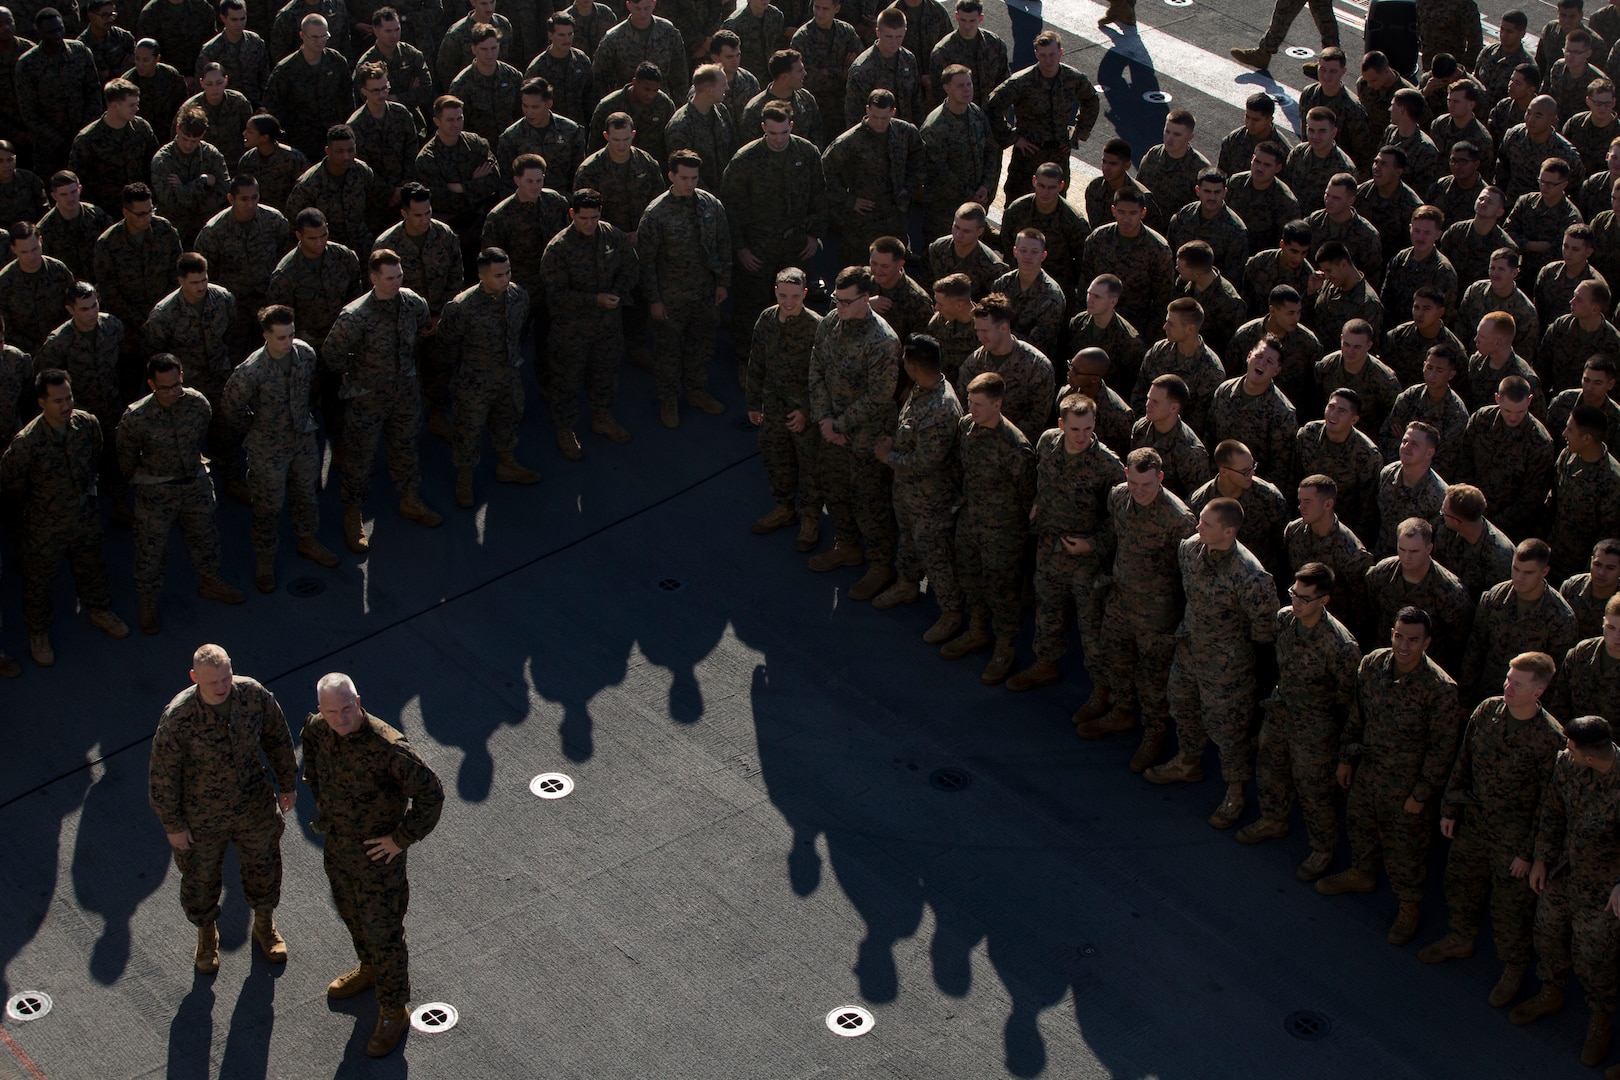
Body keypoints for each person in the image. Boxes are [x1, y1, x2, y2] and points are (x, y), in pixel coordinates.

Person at [301, 671, 444, 1059]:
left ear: (359, 701)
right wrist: (319, 798)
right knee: (350, 915)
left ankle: (393, 1009)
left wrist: (400, 839)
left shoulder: (388, 747)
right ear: (321, 710)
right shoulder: (317, 729)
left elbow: (432, 794)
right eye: (333, 711)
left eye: (348, 708)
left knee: (384, 932)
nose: (341, 718)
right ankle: (369, 969)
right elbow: (311, 761)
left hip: (379, 859)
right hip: (338, 848)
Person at [1421, 652, 1564, 1008]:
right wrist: (1451, 806)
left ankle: (1513, 968)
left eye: (1517, 684)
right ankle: (1460, 937)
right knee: (1461, 883)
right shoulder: (1487, 711)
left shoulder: (1551, 740)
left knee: (1510, 909)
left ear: (1539, 691)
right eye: (1507, 679)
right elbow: (1463, 760)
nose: (1507, 687)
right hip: (1475, 821)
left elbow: (1551, 807)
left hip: (1514, 840)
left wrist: (1530, 854)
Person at [148, 643, 297, 974]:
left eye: (226, 677)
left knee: (264, 867)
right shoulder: (179, 716)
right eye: (212, 682)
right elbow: (163, 776)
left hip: (252, 804)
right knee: (200, 880)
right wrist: (173, 825)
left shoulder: (252, 695)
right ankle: (206, 935)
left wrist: (287, 783)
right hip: (201, 815)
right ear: (194, 677)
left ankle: (264, 925)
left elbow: (278, 738)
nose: (221, 687)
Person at [1318, 607, 1462, 947]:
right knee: (1360, 825)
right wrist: (1346, 759)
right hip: (1369, 771)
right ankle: (1362, 873)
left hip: (1406, 786)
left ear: (1427, 642)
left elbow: (1442, 750)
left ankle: (1409, 905)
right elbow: (1358, 715)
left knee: (1405, 849)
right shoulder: (1373, 665)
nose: (1404, 645)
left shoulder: (1440, 689)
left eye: (1413, 640)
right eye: (1399, 636)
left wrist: (1421, 794)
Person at [1239, 562, 1362, 882]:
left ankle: (1322, 847)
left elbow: (1349, 701)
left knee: (1314, 788)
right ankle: (1273, 819)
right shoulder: (1284, 620)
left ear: (1324, 600)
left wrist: (1341, 747)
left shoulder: (1341, 646)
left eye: (1305, 598)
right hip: (1282, 709)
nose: (1296, 601)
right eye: (1294, 593)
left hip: (1316, 724)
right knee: (1269, 767)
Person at [0, 369, 130, 666]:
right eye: (58, 400)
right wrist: (27, 524)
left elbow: (96, 457)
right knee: (39, 582)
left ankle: (99, 611)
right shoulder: (27, 443)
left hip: (83, 515)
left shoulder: (86, 425)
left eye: (69, 397)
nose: (66, 404)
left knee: (91, 566)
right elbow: (12, 486)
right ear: (42, 402)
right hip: (44, 525)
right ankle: (39, 633)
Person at [1515, 714, 1620, 1068]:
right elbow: (1553, 810)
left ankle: (1600, 1017)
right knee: (1546, 930)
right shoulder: (1568, 764)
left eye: (1572, 747)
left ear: (1591, 755)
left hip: (1606, 885)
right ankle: (1551, 991)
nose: (1566, 750)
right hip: (1565, 869)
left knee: (1594, 956)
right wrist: (1542, 858)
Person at [1081, 447, 1196, 768]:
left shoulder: (1179, 520)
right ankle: (1120, 712)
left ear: (1160, 478)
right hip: (1121, 600)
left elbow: (1188, 574)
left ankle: (1154, 733)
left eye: (1146, 484)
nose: (1139, 491)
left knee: (1153, 678)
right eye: (1133, 483)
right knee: (1115, 659)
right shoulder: (1119, 497)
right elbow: (1114, 536)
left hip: (1157, 615)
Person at [321, 247, 441, 553]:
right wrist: (358, 377)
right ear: (373, 278)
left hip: (403, 392)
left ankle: (410, 499)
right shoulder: (355, 316)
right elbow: (331, 355)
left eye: (399, 275)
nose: (395, 282)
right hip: (367, 397)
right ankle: (353, 514)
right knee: (360, 457)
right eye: (388, 278)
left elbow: (424, 326)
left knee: (406, 446)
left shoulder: (412, 303)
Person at [220, 305, 341, 591]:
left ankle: (307, 540)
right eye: (281, 338)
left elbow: (308, 389)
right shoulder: (251, 371)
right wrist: (256, 428)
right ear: (265, 336)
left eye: (291, 335)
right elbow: (231, 406)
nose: (288, 342)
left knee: (307, 494)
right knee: (267, 505)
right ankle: (265, 557)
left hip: (301, 438)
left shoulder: (305, 355)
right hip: (268, 446)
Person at [1012, 392, 1124, 691]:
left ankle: (1103, 690)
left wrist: (1093, 544)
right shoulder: (1048, 443)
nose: (1082, 436)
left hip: (1086, 560)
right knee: (1047, 614)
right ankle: (1045, 664)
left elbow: (1119, 519)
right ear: (1062, 424)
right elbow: (1041, 479)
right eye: (1075, 429)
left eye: (1088, 428)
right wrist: (1038, 503)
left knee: (1092, 630)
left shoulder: (1107, 465)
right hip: (1050, 548)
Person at [807, 264, 900, 598]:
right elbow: (816, 367)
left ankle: (880, 565)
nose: (839, 306)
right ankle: (846, 545)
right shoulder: (832, 322)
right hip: (832, 429)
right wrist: (824, 420)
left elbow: (879, 397)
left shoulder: (883, 341)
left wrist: (840, 425)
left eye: (846, 301)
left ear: (866, 299)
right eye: (836, 298)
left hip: (865, 437)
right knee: (835, 490)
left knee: (869, 502)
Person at [940, 370, 1034, 683]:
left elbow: (1027, 496)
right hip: (970, 521)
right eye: (969, 401)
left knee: (1002, 590)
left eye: (979, 404)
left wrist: (1014, 531)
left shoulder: (1015, 446)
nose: (972, 409)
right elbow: (958, 469)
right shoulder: (967, 427)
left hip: (1003, 532)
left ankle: (1004, 646)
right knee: (970, 578)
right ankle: (977, 631)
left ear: (997, 404)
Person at [873, 333, 961, 634]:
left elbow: (927, 462)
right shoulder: (922, 388)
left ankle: (951, 613)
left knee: (935, 555)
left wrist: (889, 457)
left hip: (931, 497)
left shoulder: (941, 407)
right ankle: (907, 584)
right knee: (908, 540)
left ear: (911, 366)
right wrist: (895, 443)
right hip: (908, 490)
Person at [438, 246, 539, 507]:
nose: (505, 279)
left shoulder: (518, 296)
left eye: (507, 272)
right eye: (498, 275)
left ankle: (507, 463)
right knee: (468, 430)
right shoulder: (462, 307)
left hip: (507, 373)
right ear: (482, 276)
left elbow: (520, 328)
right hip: (474, 379)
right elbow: (447, 344)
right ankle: (465, 477)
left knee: (508, 418)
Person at [636, 149, 731, 427]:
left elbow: (724, 244)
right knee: (668, 353)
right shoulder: (656, 214)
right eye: (684, 177)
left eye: (694, 177)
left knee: (702, 346)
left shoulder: (710, 205)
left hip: (704, 293)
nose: (690, 183)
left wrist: (723, 282)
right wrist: (654, 300)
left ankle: (696, 391)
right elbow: (646, 262)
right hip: (670, 297)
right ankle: (668, 401)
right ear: (671, 176)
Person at [541, 188, 637, 456]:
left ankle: (602, 417)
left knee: (605, 373)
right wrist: (595, 300)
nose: (590, 223)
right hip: (572, 329)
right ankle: (565, 428)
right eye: (583, 218)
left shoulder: (611, 235)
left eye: (594, 217)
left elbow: (631, 266)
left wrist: (618, 291)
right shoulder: (558, 249)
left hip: (607, 325)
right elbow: (556, 294)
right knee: (567, 379)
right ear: (572, 214)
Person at [748, 268, 825, 552]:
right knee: (775, 457)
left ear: (805, 293)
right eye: (782, 295)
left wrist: (806, 410)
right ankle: (784, 507)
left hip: (803, 413)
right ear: (775, 292)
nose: (788, 302)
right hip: (774, 406)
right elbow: (756, 362)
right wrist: (754, 403)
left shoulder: (816, 326)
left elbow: (822, 375)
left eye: (795, 296)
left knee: (809, 466)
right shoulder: (767, 319)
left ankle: (810, 518)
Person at [983, 29, 1097, 201]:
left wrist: (1078, 132)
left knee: (1056, 204)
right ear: (1036, 54)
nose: (1048, 60)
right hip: (1028, 156)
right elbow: (993, 106)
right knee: (1018, 203)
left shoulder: (1073, 78)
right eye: (1043, 55)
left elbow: (1091, 100)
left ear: (1061, 52)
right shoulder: (1021, 81)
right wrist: (1012, 137)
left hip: (1059, 154)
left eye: (1052, 54)